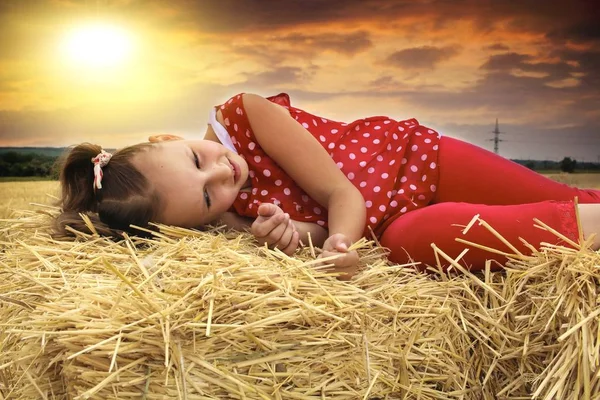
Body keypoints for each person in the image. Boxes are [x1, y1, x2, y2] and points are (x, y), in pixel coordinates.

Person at [56, 92, 600, 279]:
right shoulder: (225, 219)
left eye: (198, 158)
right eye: (205, 197)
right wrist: (294, 237)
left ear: (169, 136)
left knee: (573, 196)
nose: (221, 174)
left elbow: (342, 196)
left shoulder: (245, 115)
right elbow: (320, 228)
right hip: (393, 220)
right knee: (408, 243)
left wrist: (341, 241)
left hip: (419, 165)